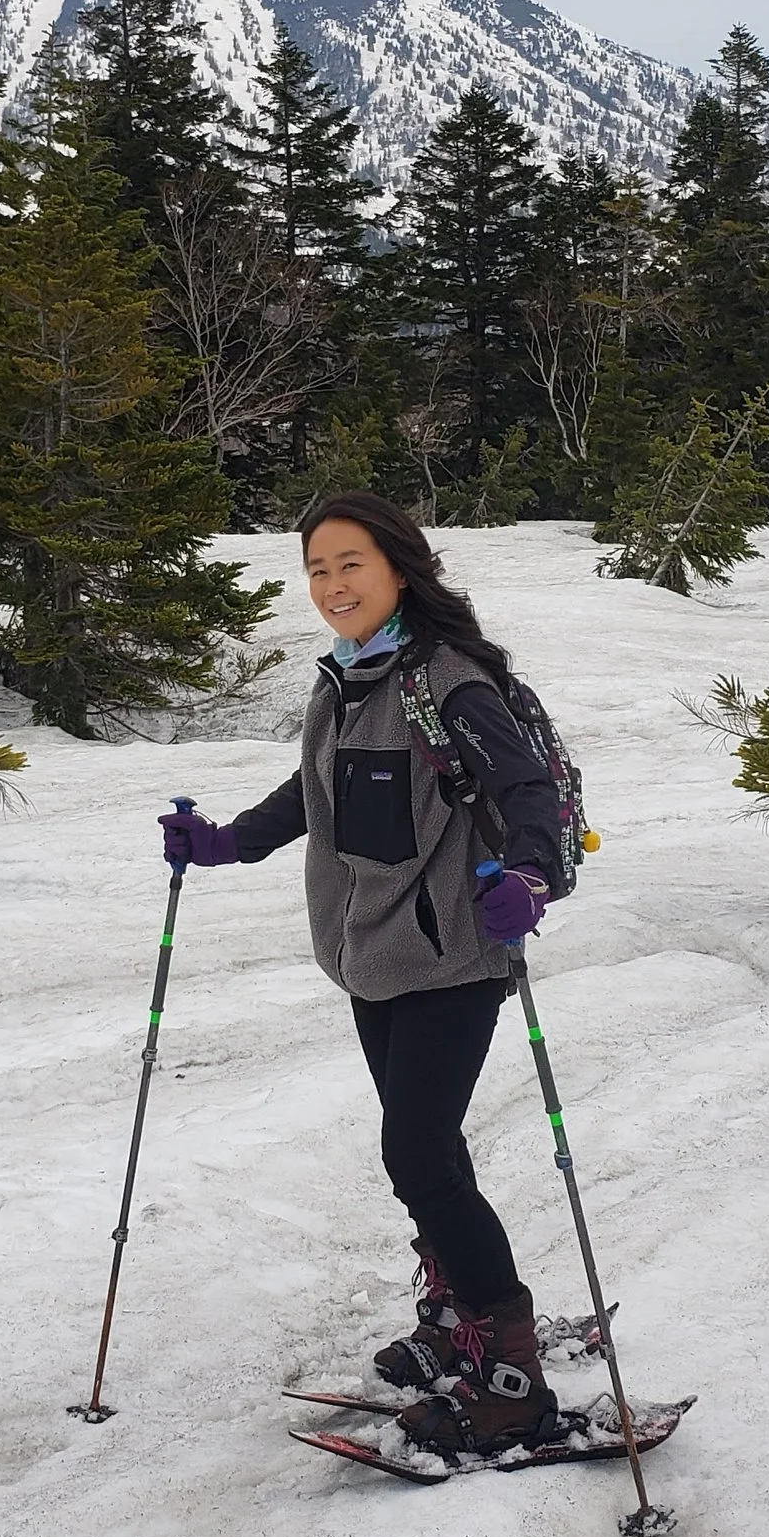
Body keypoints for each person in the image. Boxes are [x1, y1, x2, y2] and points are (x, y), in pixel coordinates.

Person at [159, 493, 568, 1454]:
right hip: (374, 957)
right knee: (420, 1152)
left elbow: (526, 788)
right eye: (317, 569)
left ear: (400, 569)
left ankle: (509, 1381)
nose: (333, 586)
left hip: (454, 958)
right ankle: (454, 1320)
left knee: (417, 1153)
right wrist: (227, 843)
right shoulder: (347, 679)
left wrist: (534, 876)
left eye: (352, 564)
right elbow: (318, 791)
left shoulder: (447, 681)